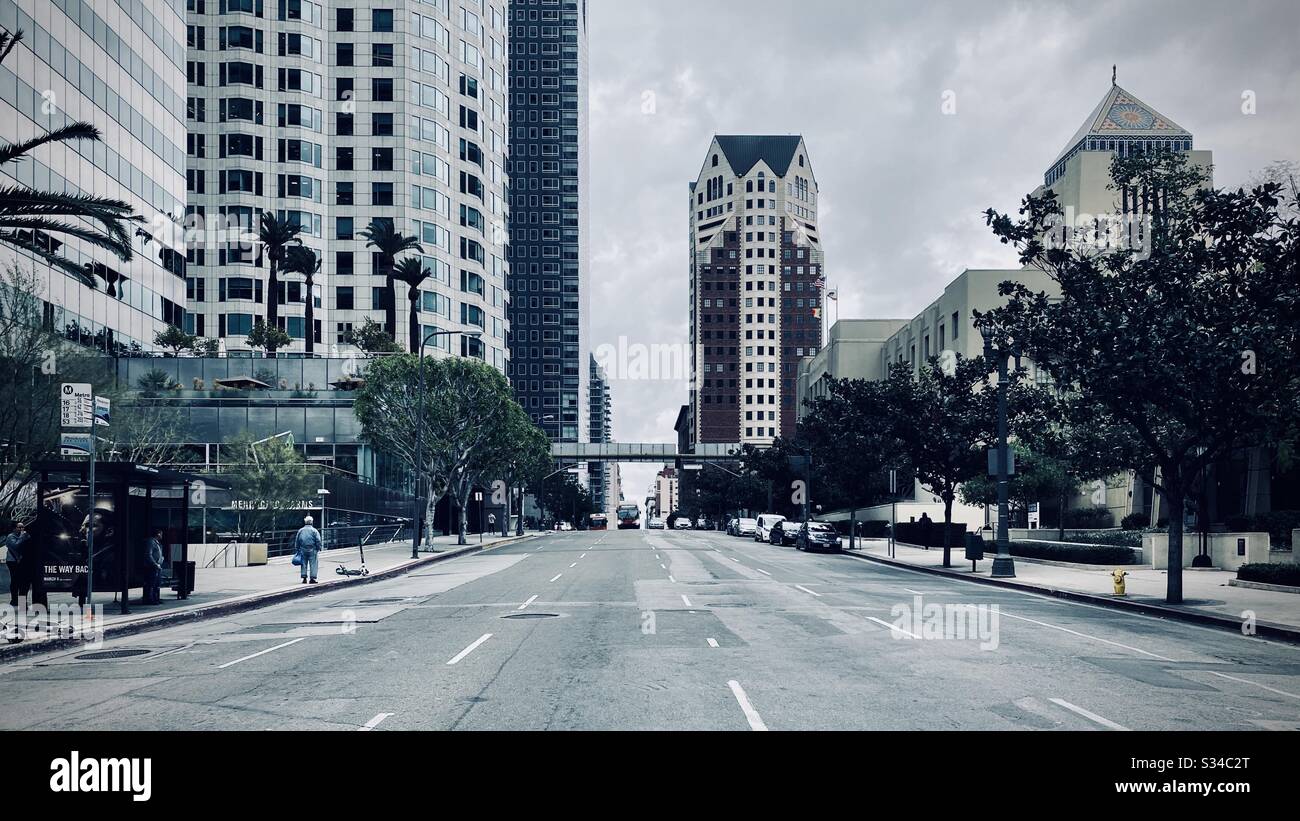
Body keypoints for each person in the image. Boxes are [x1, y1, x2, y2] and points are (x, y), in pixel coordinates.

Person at [4, 522, 30, 608]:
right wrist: (23, 536)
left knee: (21, 582)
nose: (22, 529)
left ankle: (18, 601)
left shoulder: (22, 536)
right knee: (16, 580)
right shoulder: (11, 536)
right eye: (19, 527)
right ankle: (14, 600)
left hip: (21, 561)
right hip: (12, 561)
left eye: (23, 527)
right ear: (14, 528)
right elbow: (16, 546)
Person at [294, 515, 323, 584]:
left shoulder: (300, 530)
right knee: (313, 564)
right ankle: (312, 578)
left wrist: (297, 548)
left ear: (305, 522)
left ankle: (304, 578)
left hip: (303, 549)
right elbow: (318, 540)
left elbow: (297, 540)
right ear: (312, 522)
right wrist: (319, 547)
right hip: (312, 549)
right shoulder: (314, 531)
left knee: (303, 563)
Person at [145, 530, 164, 605]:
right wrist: (155, 564)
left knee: (157, 583)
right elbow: (148, 554)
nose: (162, 536)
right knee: (152, 583)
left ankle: (156, 598)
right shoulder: (151, 542)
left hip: (158, 566)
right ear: (158, 534)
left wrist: (162, 558)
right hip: (152, 567)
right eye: (161, 534)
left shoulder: (157, 542)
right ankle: (151, 599)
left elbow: (158, 553)